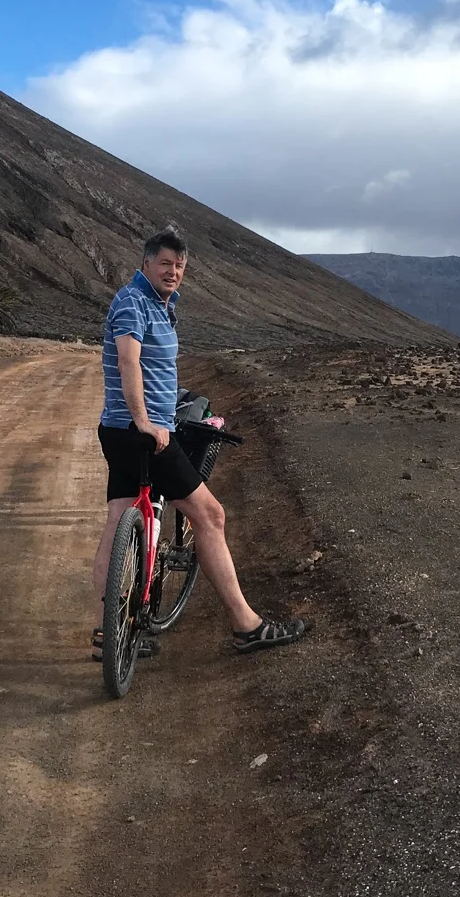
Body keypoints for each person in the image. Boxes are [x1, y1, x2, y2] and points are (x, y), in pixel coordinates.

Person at [91, 228, 309, 657]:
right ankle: (247, 625)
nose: (173, 272)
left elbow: (152, 370)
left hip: (120, 431)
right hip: (141, 434)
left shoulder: (161, 305)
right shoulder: (133, 302)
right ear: (147, 263)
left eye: (180, 266)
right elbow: (127, 359)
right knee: (210, 515)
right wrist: (145, 421)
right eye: (166, 264)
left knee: (119, 518)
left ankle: (107, 635)